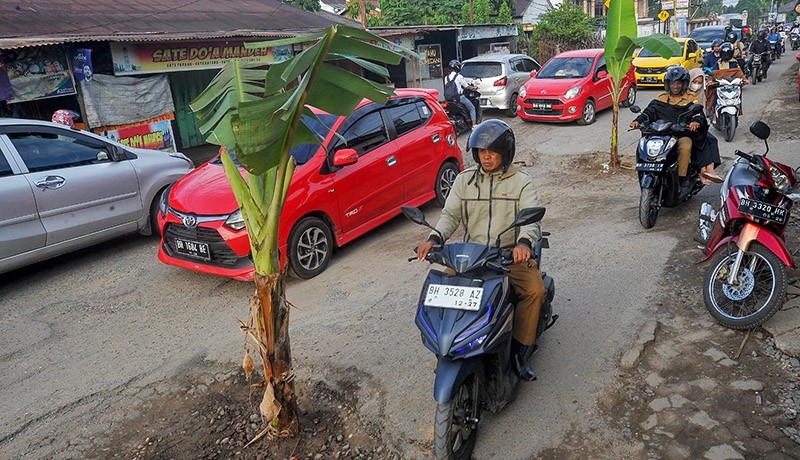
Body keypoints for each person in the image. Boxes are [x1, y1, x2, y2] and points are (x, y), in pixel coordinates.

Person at [416, 119, 545, 382]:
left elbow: (530, 220)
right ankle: (446, 350)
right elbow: (450, 215)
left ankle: (520, 351)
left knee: (534, 290)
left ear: (505, 153)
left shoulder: (520, 182)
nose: (486, 156)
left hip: (507, 255)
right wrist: (433, 238)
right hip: (470, 257)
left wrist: (523, 244)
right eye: (481, 151)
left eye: (492, 151)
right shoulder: (464, 181)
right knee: (441, 293)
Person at [629, 67, 719, 190]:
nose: (675, 86)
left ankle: (682, 179)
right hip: (661, 133)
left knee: (685, 146)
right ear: (668, 84)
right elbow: (649, 112)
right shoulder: (661, 98)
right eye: (672, 83)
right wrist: (637, 121)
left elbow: (698, 113)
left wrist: (695, 122)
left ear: (684, 84)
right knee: (644, 145)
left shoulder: (691, 98)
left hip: (681, 133)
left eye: (678, 83)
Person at [444, 60, 478, 128]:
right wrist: (473, 87)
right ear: (456, 67)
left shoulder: (446, 78)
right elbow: (466, 86)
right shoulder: (459, 76)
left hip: (449, 99)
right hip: (459, 98)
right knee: (472, 108)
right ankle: (474, 126)